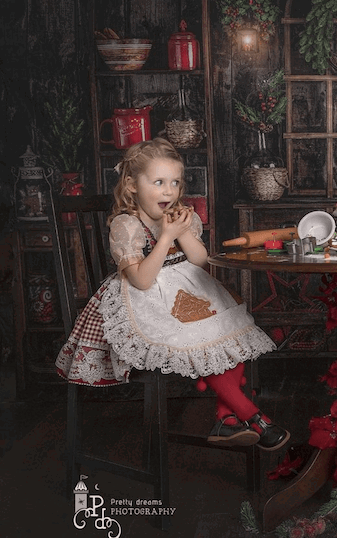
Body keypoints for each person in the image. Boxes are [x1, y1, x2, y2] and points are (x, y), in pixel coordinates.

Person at [55, 138, 289, 451]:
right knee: (201, 337)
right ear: (132, 184)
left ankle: (226, 419)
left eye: (175, 182)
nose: (169, 191)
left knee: (228, 333)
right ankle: (253, 415)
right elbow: (141, 279)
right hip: (144, 298)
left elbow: (199, 260)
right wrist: (165, 237)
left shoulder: (182, 216)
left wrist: (180, 232)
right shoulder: (126, 224)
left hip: (187, 290)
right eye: (159, 182)